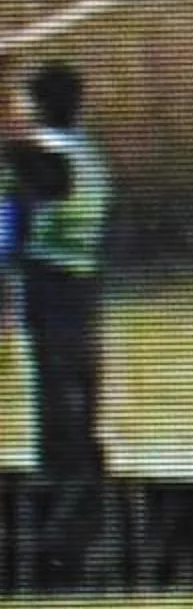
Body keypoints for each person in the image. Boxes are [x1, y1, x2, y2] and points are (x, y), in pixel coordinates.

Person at [4, 61, 110, 480]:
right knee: (76, 395)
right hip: (78, 287)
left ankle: (65, 493)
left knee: (60, 396)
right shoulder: (83, 147)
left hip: (54, 287)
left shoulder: (58, 155)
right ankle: (80, 481)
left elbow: (20, 155)